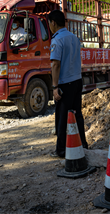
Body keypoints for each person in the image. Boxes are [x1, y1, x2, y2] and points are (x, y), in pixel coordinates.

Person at [48, 10, 88, 158]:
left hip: (65, 84)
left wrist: (55, 87)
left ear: (53, 22)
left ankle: (61, 150)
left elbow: (55, 64)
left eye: (49, 23)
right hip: (77, 81)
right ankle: (83, 144)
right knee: (77, 115)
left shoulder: (57, 40)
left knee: (62, 117)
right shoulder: (74, 37)